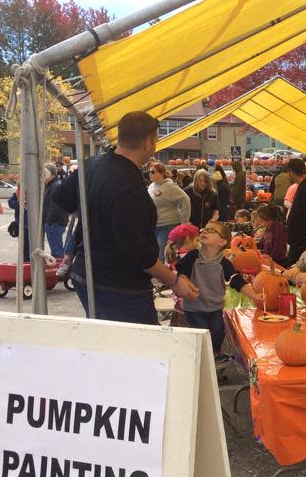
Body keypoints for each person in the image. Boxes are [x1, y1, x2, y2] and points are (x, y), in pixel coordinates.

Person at [52, 110, 198, 322]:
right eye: (156, 140)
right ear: (148, 142)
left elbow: (61, 196)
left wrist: (93, 217)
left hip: (86, 273)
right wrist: (175, 282)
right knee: (136, 350)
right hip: (118, 286)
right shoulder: (130, 187)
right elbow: (140, 255)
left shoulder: (92, 164)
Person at [176, 221, 245, 363]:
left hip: (215, 306)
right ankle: (201, 358)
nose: (205, 231)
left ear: (222, 242)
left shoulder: (223, 263)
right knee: (201, 332)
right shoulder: (193, 256)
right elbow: (181, 270)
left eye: (211, 230)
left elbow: (236, 281)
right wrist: (184, 280)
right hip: (194, 307)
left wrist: (255, 295)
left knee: (217, 331)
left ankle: (215, 352)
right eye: (205, 229)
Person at [148, 161, 191, 262]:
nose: (150, 174)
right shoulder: (151, 186)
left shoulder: (170, 186)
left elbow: (185, 199)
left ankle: (166, 276)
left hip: (168, 225)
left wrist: (184, 222)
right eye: (149, 172)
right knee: (156, 253)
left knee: (163, 254)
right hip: (155, 225)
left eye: (153, 172)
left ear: (162, 173)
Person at [42, 163, 67, 260]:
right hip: (55, 222)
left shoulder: (55, 186)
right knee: (56, 248)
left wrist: (48, 221)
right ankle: (59, 268)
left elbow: (55, 207)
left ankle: (60, 271)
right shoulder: (53, 185)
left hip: (55, 223)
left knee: (56, 250)